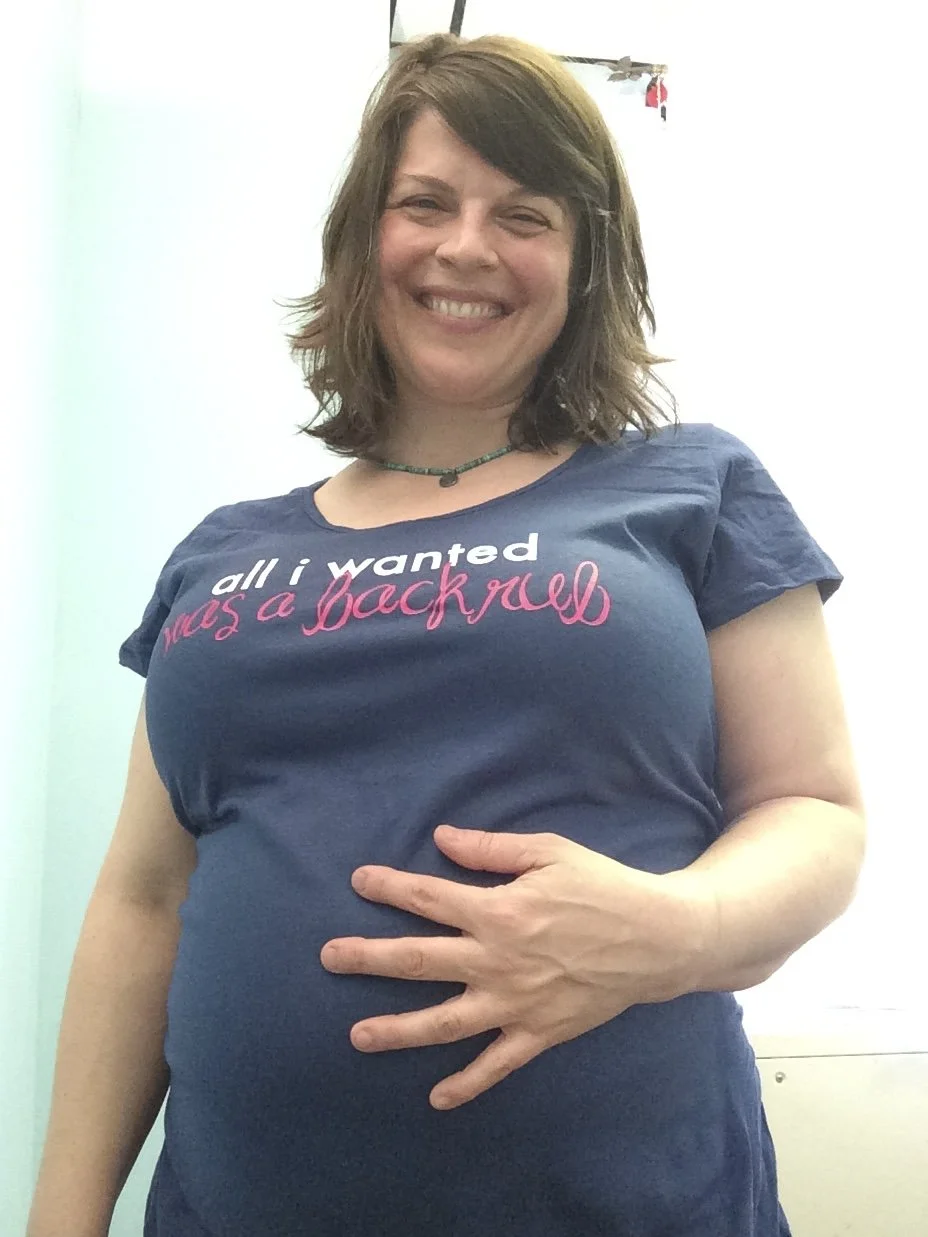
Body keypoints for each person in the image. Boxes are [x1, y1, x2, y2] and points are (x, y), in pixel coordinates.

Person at [28, 31, 867, 1237]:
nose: (466, 246)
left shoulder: (692, 488)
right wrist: (62, 1216)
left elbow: (817, 813)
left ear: (584, 264)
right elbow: (143, 901)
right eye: (425, 203)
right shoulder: (222, 550)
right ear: (363, 243)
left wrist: (675, 931)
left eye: (523, 213)